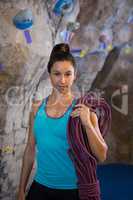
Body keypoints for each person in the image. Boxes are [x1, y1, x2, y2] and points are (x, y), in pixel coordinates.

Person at [18, 43, 108, 200]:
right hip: (40, 187)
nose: (63, 81)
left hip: (72, 191)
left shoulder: (83, 111)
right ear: (49, 75)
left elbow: (102, 156)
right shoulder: (36, 108)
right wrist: (21, 190)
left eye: (68, 74)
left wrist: (87, 124)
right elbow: (30, 149)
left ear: (75, 75)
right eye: (57, 74)